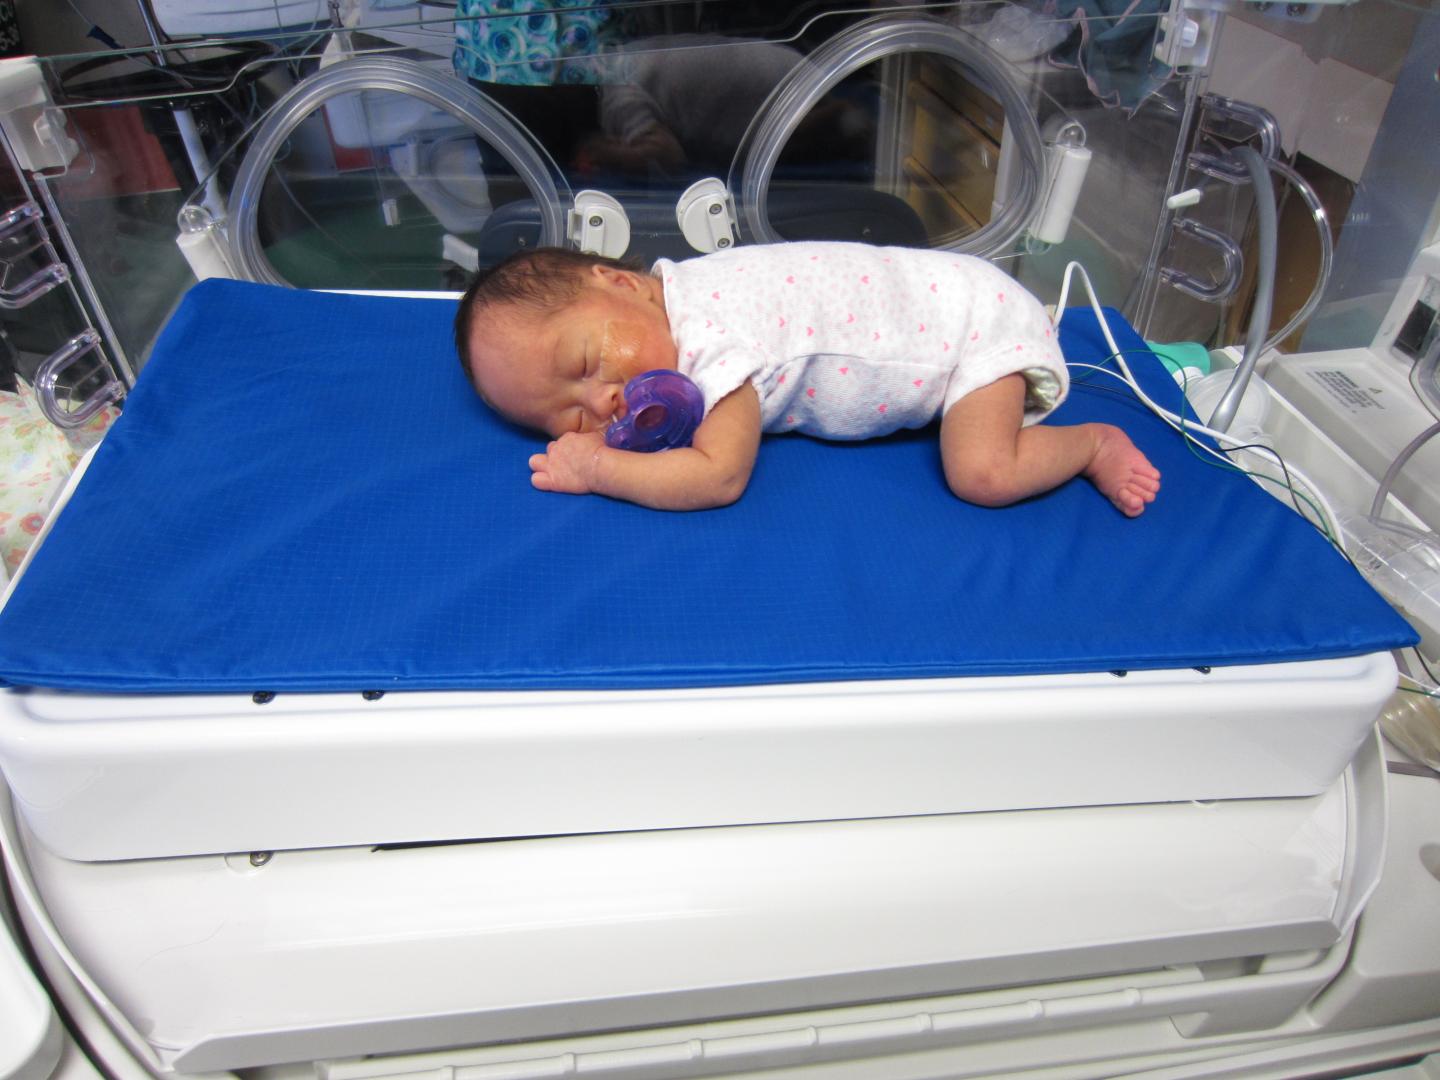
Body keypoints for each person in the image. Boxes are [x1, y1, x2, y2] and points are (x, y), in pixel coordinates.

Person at [454, 242, 1161, 514]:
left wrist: (596, 466)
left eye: (583, 366)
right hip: (950, 294)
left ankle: (1093, 445)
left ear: (620, 283)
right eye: (569, 419)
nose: (602, 402)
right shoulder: (669, 303)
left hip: (973, 324)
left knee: (981, 473)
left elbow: (717, 477)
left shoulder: (708, 337)